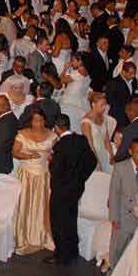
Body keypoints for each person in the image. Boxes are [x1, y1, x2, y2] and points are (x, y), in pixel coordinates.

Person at [48, 113, 100, 265]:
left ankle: (61, 254)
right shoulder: (81, 140)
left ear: (57, 128)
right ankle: (72, 251)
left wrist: (51, 161)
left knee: (58, 222)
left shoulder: (60, 146)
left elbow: (56, 170)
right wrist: (81, 178)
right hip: (76, 188)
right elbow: (92, 160)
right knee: (71, 219)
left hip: (61, 190)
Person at [13, 109, 57, 255]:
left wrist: (50, 157)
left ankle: (42, 236)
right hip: (27, 175)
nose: (38, 123)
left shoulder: (51, 135)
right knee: (25, 206)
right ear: (30, 121)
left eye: (41, 120)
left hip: (44, 175)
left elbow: (56, 153)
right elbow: (15, 152)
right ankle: (23, 237)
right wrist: (27, 156)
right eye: (35, 120)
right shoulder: (22, 134)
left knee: (42, 207)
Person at [108, 138, 138, 269]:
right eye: (137, 153)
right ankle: (112, 273)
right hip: (123, 216)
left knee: (134, 251)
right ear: (130, 151)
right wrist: (114, 217)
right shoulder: (120, 167)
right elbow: (114, 194)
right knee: (117, 248)